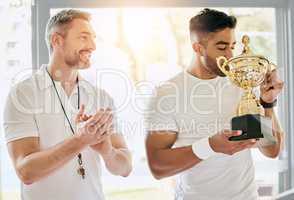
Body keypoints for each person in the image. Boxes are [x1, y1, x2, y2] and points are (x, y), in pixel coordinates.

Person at [145, 8, 284, 200]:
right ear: (198, 48)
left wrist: (268, 104)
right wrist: (210, 146)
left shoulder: (241, 85)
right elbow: (157, 167)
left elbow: (271, 150)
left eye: (232, 46)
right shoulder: (167, 93)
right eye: (221, 47)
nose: (229, 55)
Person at [3, 9, 132, 200]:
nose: (93, 46)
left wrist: (107, 151)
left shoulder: (101, 97)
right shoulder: (23, 94)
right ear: (56, 41)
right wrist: (80, 140)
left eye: (93, 38)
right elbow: (26, 172)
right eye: (83, 37)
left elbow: (125, 168)